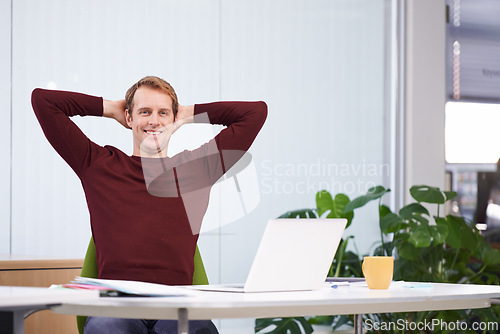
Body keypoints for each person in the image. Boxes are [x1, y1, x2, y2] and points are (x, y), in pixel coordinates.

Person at [31, 76, 267, 334]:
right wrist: (110, 109)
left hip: (176, 308)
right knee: (108, 329)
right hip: (116, 309)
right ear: (129, 118)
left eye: (163, 112)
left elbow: (254, 113)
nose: (154, 120)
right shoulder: (98, 164)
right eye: (145, 112)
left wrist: (186, 113)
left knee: (198, 330)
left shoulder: (197, 169)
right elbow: (44, 101)